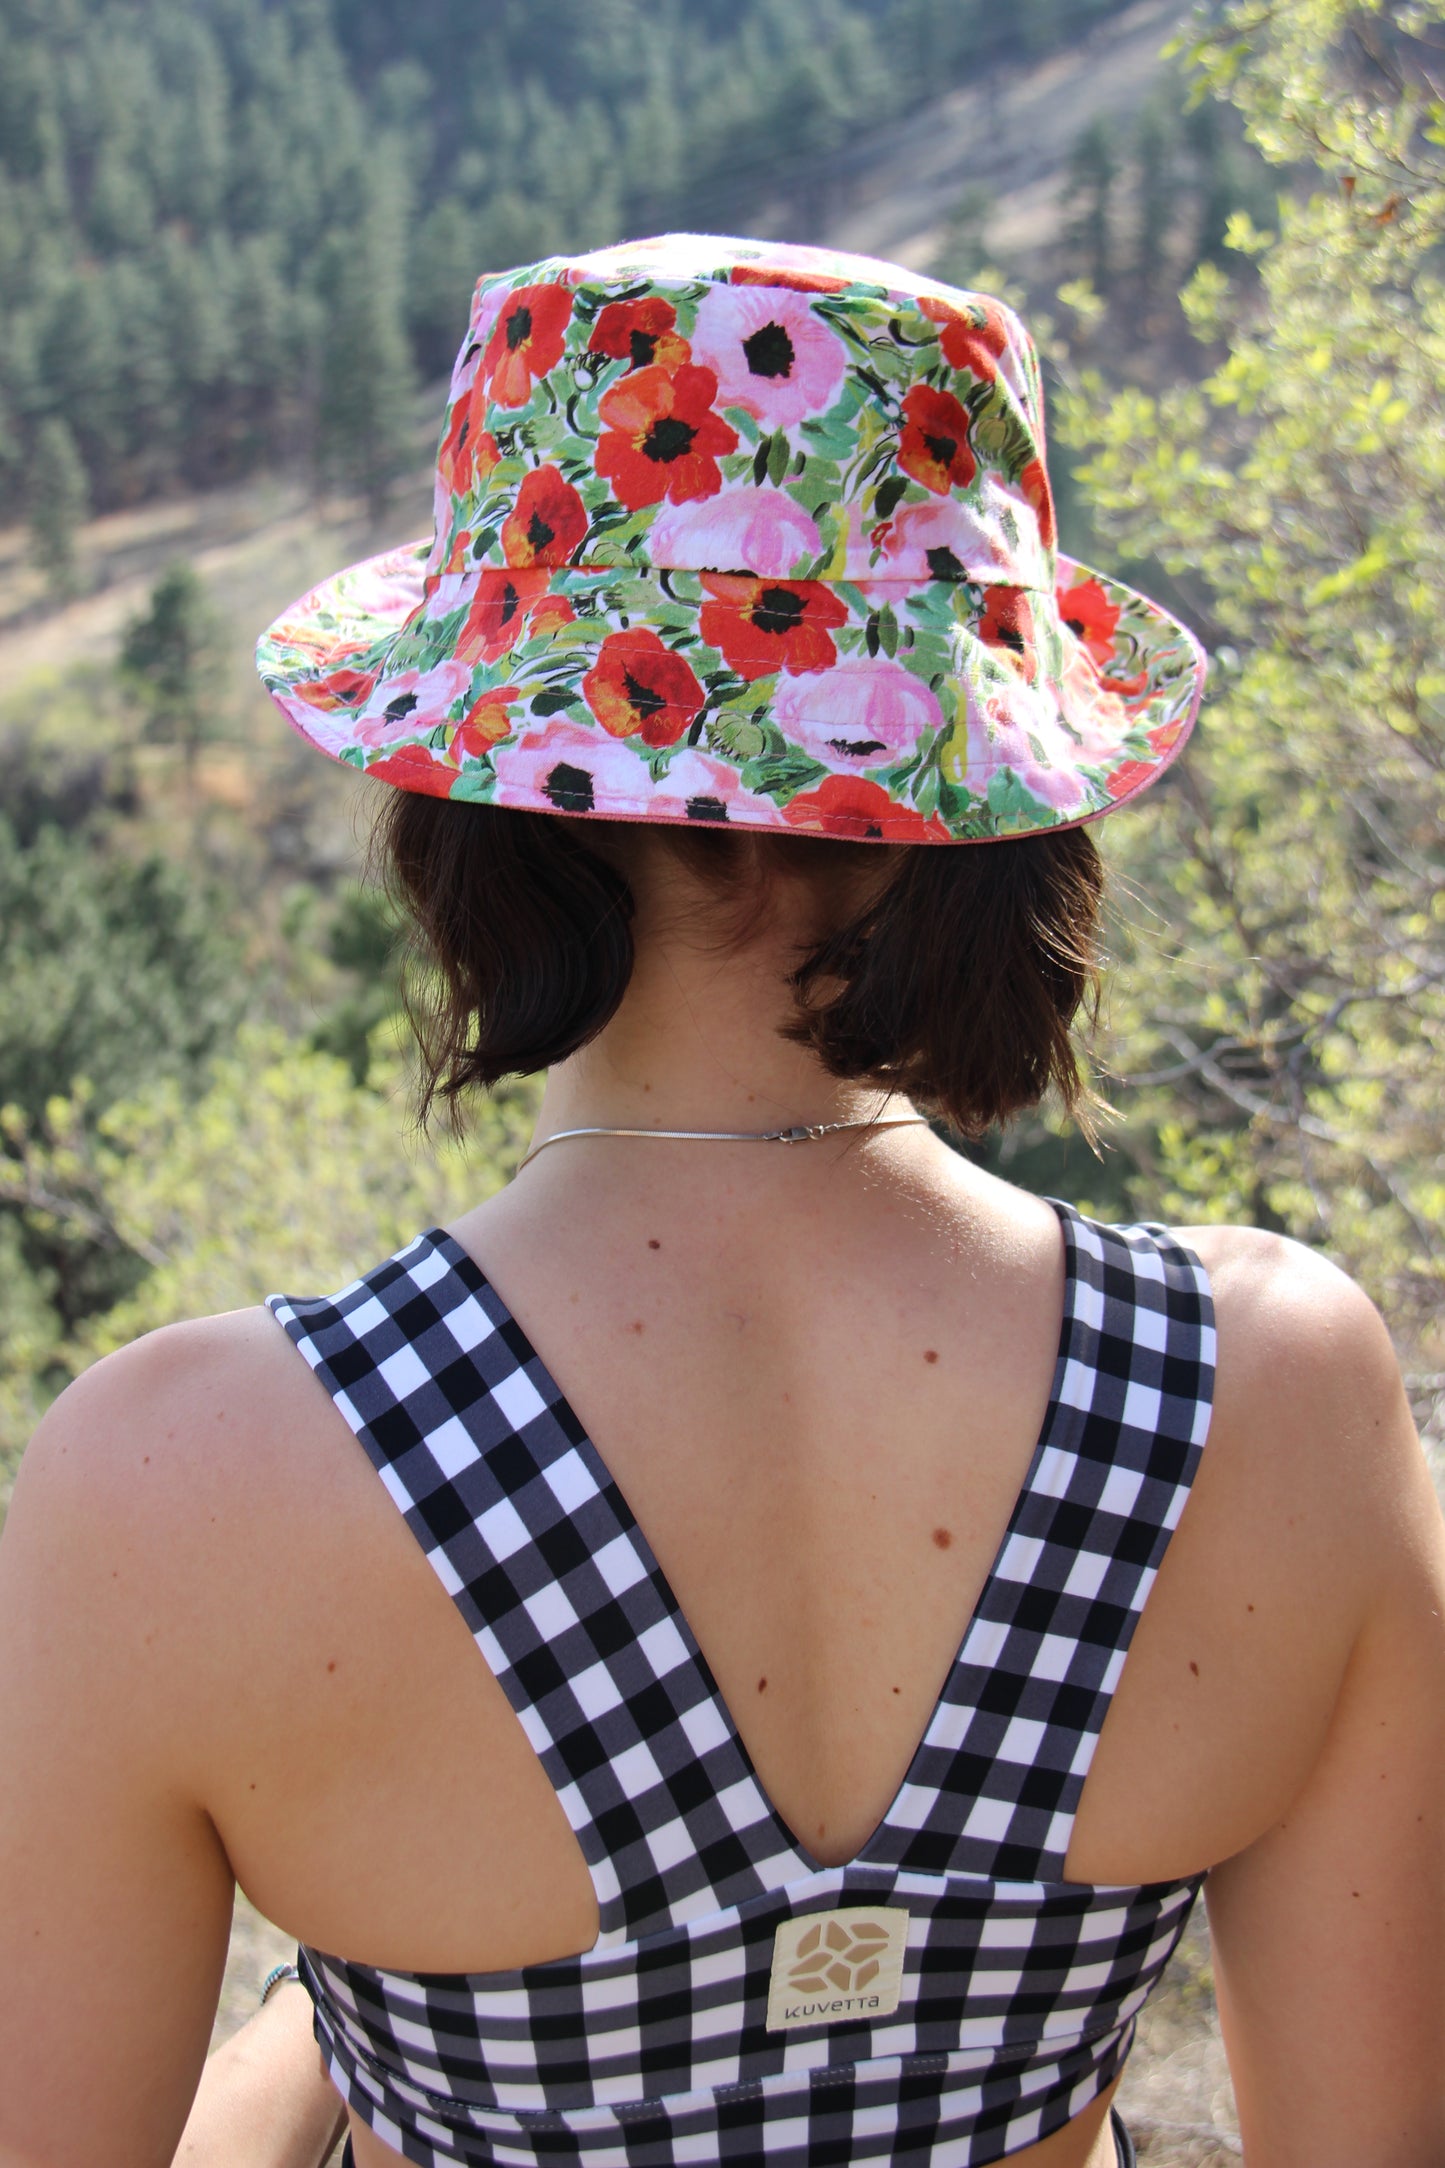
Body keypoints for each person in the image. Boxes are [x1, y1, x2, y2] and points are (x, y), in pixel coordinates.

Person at [1, 233, 1442, 2168]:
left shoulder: (175, 1481)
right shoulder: (1273, 1392)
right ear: (997, 791)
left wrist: (308, 2058)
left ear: (469, 797)